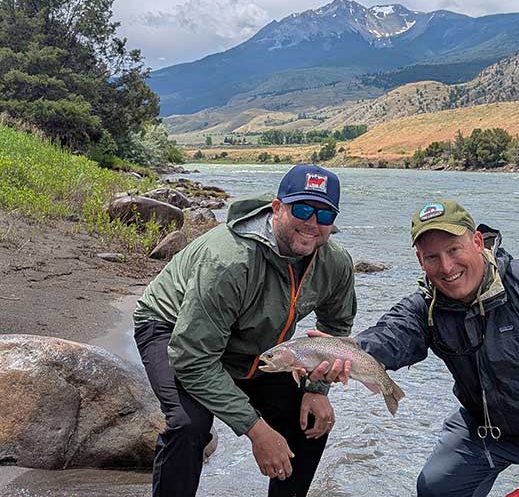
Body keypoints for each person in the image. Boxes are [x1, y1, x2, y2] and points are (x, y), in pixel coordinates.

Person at [310, 200, 519, 497]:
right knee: (436, 489)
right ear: (419, 261)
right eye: (432, 257)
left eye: (454, 250)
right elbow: (392, 335)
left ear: (478, 242)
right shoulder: (425, 307)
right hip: (485, 430)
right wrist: (346, 350)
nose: (447, 267)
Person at [133, 164, 357, 497]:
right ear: (277, 208)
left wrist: (315, 387)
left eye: (324, 215)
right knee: (188, 425)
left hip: (252, 342)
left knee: (310, 420)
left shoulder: (334, 263)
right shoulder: (229, 261)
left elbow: (336, 325)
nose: (312, 223)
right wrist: (256, 430)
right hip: (172, 328)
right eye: (304, 209)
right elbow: (192, 358)